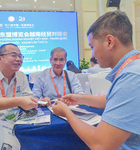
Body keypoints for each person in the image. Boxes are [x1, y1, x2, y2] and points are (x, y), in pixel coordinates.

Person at [52, 10, 140, 149]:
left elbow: (100, 145)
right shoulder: (133, 69)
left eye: (92, 47)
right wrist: (80, 99)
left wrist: (66, 112)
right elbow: (114, 101)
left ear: (110, 42)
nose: (92, 54)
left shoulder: (131, 77)